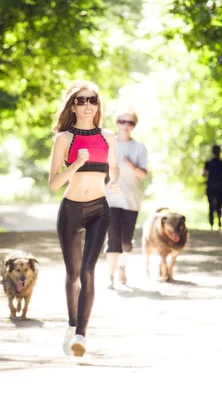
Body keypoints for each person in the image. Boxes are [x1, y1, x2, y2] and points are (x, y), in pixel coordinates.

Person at [49, 80, 120, 357]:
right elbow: (54, 183)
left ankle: (81, 335)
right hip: (70, 210)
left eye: (93, 100)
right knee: (73, 274)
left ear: (98, 105)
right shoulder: (64, 139)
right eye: (81, 100)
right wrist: (76, 164)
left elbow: (113, 167)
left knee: (89, 270)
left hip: (99, 210)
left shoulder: (107, 137)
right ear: (73, 106)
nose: (88, 105)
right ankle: (71, 326)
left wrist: (113, 182)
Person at [105, 109, 148, 288]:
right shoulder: (109, 143)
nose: (126, 126)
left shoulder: (139, 147)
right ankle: (110, 277)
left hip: (131, 199)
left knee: (126, 241)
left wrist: (131, 165)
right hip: (111, 198)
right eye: (123, 121)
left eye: (130, 123)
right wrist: (106, 182)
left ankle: (122, 266)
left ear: (134, 126)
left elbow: (144, 174)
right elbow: (100, 169)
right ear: (117, 123)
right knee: (112, 238)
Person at [203, 145, 222, 230]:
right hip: (220, 187)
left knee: (210, 206)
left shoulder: (208, 163)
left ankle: (211, 224)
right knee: (219, 205)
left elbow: (204, 174)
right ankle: (219, 222)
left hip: (210, 187)